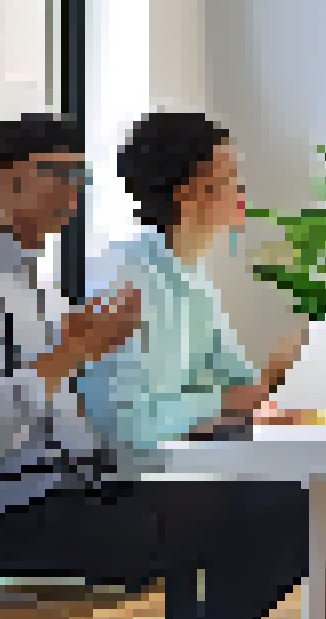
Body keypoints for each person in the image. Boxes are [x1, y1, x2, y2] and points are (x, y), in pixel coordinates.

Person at [0, 114, 308, 619]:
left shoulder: (34, 286)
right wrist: (69, 356)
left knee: (278, 499)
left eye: (77, 177)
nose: (69, 192)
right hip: (14, 524)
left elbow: (73, 420)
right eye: (52, 174)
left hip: (76, 494)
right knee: (282, 507)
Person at [76, 111, 310, 461]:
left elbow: (239, 387)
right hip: (132, 483)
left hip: (184, 465)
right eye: (230, 178)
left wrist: (294, 362)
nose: (241, 190)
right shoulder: (125, 282)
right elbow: (123, 426)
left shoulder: (191, 279)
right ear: (188, 194)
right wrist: (221, 402)